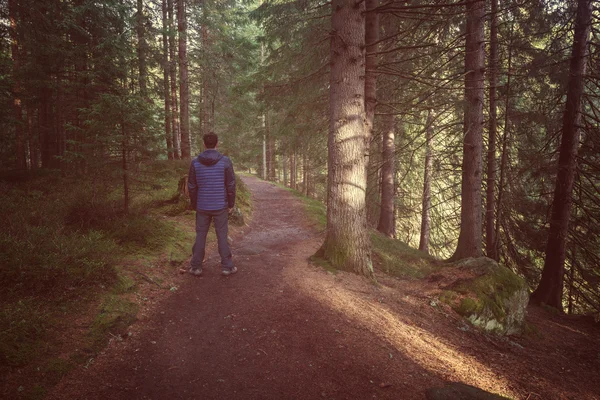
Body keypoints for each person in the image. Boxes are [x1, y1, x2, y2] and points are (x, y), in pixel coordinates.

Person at [187, 132, 237, 276]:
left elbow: (192, 186)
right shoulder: (225, 161)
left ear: (204, 144)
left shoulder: (195, 162)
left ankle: (196, 267)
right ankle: (227, 267)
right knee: (222, 235)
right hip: (220, 205)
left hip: (202, 206)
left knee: (200, 235)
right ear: (217, 143)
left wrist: (195, 204)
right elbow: (231, 184)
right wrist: (231, 203)